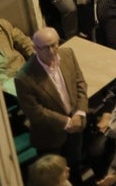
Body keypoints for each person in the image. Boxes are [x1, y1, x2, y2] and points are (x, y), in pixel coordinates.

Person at [14, 28, 89, 176]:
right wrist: (67, 122)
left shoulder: (68, 54)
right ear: (35, 48)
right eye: (46, 47)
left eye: (55, 44)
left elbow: (80, 84)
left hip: (76, 122)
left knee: (74, 165)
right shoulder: (23, 78)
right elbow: (34, 111)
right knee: (54, 175)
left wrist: (80, 113)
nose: (52, 51)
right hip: (50, 135)